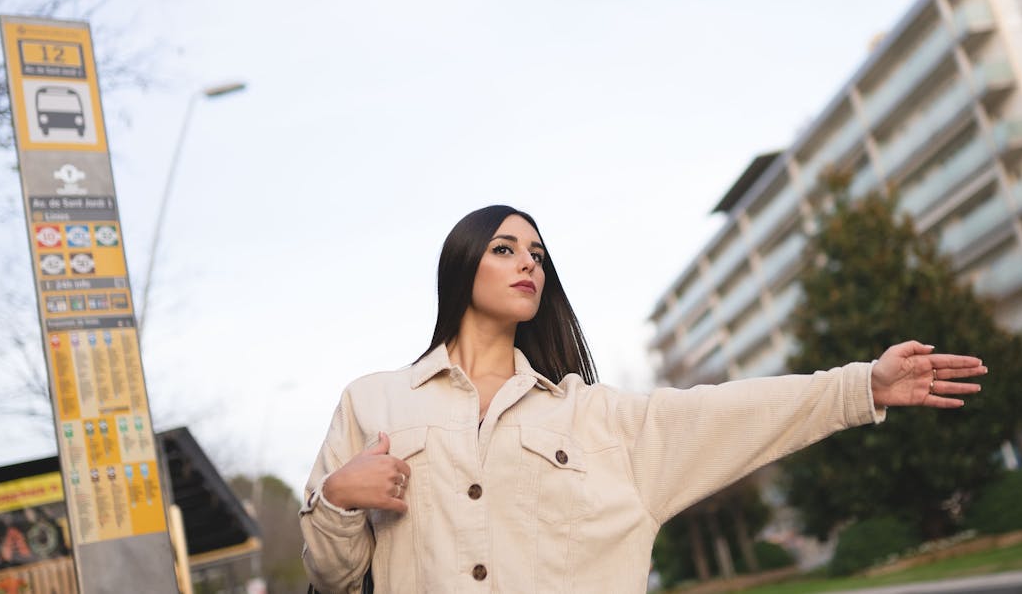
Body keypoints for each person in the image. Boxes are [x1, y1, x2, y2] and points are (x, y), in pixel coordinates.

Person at [300, 205, 985, 593]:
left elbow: (729, 412)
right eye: (506, 248)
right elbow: (332, 575)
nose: (529, 263)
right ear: (461, 265)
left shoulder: (597, 419)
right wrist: (337, 494)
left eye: (537, 253)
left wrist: (861, 384)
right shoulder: (373, 402)